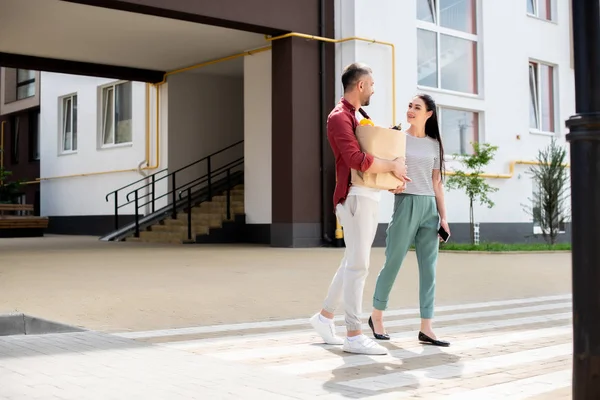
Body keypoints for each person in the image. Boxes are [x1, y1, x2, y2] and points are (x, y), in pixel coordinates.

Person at [309, 62, 409, 355]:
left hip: (367, 194)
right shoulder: (339, 117)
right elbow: (356, 159)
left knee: (352, 262)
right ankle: (354, 333)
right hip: (354, 197)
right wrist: (391, 166)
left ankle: (324, 318)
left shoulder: (358, 115)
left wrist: (390, 179)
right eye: (372, 85)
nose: (374, 90)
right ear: (361, 85)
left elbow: (370, 158)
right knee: (359, 265)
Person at [369, 94, 451, 347]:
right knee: (393, 262)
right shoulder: (397, 139)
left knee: (429, 269)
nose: (411, 110)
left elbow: (436, 182)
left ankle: (427, 327)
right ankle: (376, 316)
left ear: (429, 114)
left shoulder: (434, 144)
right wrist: (391, 186)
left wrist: (444, 218)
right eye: (409, 106)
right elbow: (387, 170)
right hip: (406, 205)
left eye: (417, 107)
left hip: (429, 209)